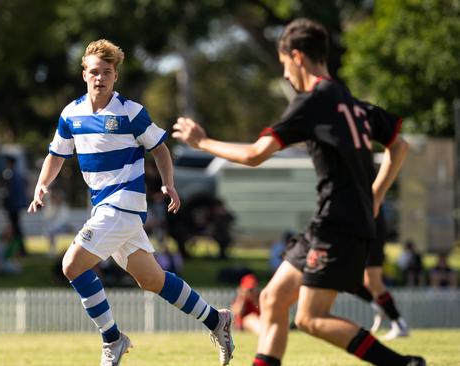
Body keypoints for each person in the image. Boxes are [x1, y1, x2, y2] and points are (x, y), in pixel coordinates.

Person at [173, 19, 425, 366]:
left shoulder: (313, 102)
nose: (286, 75)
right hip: (329, 223)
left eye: (284, 65)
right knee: (274, 299)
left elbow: (254, 154)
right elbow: (400, 145)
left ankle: (404, 365)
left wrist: (202, 142)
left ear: (297, 57)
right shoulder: (351, 103)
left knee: (310, 318)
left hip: (339, 226)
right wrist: (376, 195)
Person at [28, 39, 234, 366]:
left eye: (107, 72)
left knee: (71, 265)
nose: (100, 78)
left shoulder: (130, 112)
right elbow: (56, 155)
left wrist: (168, 184)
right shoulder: (71, 113)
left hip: (122, 206)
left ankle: (112, 339)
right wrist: (41, 185)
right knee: (151, 280)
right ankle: (215, 319)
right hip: (105, 209)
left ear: (115, 76)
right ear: (84, 74)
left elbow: (161, 149)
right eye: (94, 72)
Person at [355, 207, 409, 340]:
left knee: (372, 279)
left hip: (369, 221)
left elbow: (378, 189)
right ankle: (379, 306)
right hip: (355, 224)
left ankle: (398, 323)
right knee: (346, 274)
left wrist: (372, 208)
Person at [2, 156, 28, 256]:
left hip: (13, 206)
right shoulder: (18, 174)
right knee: (17, 227)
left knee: (16, 228)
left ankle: (20, 249)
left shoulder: (11, 174)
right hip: (17, 205)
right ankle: (20, 249)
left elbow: (10, 192)